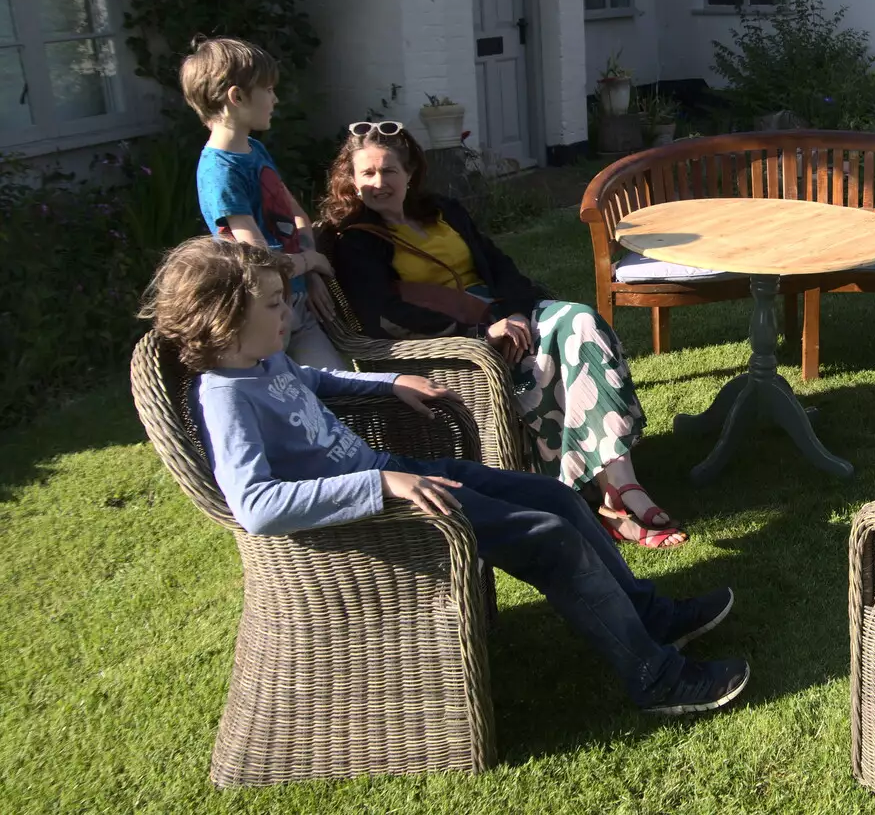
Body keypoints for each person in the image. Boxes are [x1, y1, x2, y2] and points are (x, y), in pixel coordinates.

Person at [140, 236, 750, 716]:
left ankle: (649, 615)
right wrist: (379, 487)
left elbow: (323, 382)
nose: (288, 311)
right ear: (223, 319)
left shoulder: (262, 360)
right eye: (274, 304)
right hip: (384, 515)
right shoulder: (224, 399)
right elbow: (256, 505)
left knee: (554, 496)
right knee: (551, 537)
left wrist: (391, 381)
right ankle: (655, 676)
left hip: (399, 475)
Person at [320, 123, 685, 549]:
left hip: (505, 315)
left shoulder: (442, 212)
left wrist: (513, 310)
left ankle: (620, 486)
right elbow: (386, 315)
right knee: (547, 362)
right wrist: (481, 329)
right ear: (352, 178)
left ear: (409, 172)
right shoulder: (354, 241)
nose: (378, 183)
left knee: (582, 322)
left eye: (389, 171)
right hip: (457, 341)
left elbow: (501, 266)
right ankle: (607, 502)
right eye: (367, 174)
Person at [183, 36, 344, 369]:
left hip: (296, 301)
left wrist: (310, 275)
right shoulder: (220, 173)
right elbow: (260, 260)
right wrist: (311, 260)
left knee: (337, 388)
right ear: (237, 96)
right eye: (268, 90)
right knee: (285, 403)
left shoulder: (255, 151)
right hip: (261, 314)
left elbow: (297, 216)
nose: (275, 98)